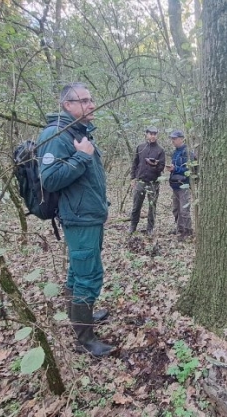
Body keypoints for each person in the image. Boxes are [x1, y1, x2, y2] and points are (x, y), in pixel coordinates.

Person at [37, 82, 114, 357]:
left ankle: (81, 317)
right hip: (79, 218)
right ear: (67, 105)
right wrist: (82, 157)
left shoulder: (78, 131)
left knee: (77, 272)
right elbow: (49, 178)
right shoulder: (56, 135)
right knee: (88, 276)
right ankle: (84, 338)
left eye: (91, 99)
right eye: (83, 100)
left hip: (89, 215)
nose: (91, 104)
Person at [129, 127, 166, 235]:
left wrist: (155, 165)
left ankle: (150, 228)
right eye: (151, 133)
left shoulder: (160, 150)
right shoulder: (140, 147)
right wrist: (132, 178)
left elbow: (162, 167)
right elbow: (135, 163)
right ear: (146, 134)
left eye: (155, 134)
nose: (153, 136)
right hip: (140, 181)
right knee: (136, 205)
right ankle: (133, 226)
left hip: (153, 183)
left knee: (152, 206)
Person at [166, 130, 195, 241]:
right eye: (172, 139)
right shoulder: (175, 152)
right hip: (175, 185)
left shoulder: (188, 153)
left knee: (184, 210)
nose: (172, 141)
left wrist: (175, 169)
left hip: (184, 185)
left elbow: (189, 169)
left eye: (174, 139)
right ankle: (180, 229)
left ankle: (188, 232)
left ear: (181, 138)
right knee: (176, 209)